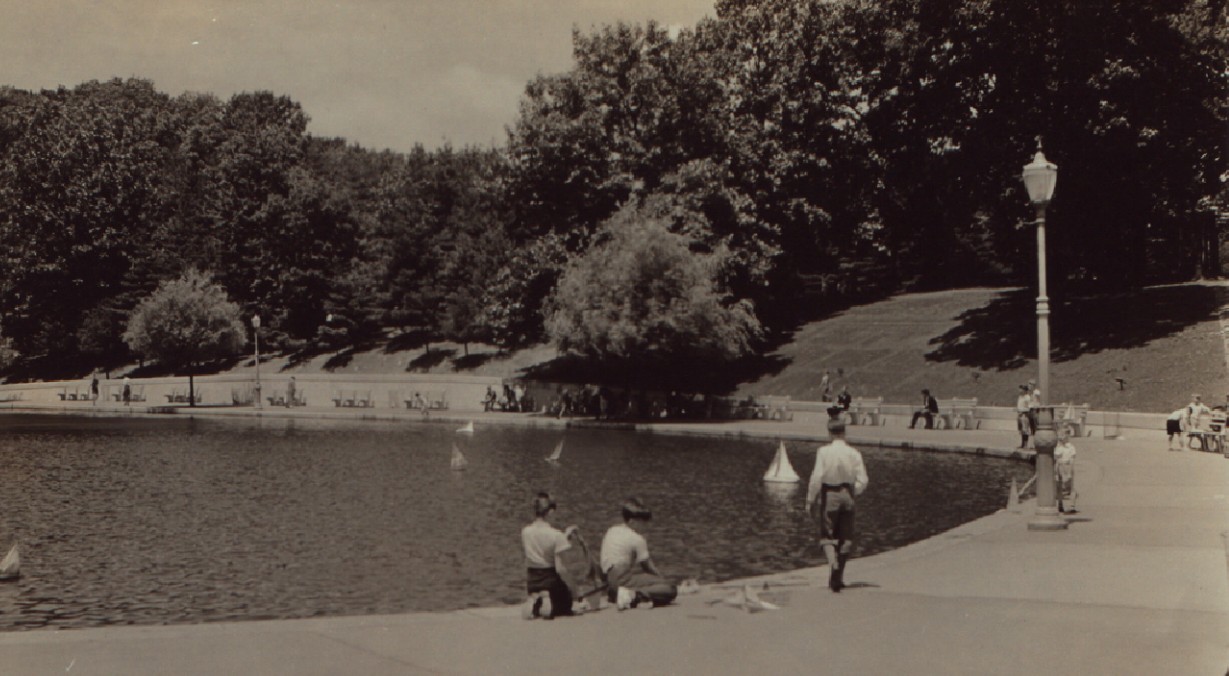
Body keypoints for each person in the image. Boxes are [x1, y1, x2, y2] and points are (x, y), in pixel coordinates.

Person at [806, 418, 869, 592]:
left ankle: (832, 562)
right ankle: (837, 577)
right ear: (844, 432)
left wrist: (810, 499)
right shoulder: (854, 453)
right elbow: (863, 480)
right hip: (847, 493)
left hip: (830, 493)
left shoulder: (823, 452)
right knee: (846, 538)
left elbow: (816, 478)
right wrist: (852, 492)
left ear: (829, 433)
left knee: (827, 535)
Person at [600, 498, 677, 609]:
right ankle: (635, 596)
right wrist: (663, 581)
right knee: (670, 588)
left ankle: (619, 594)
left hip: (611, 582)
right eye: (642, 522)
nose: (645, 526)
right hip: (623, 579)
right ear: (632, 521)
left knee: (645, 581)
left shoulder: (612, 530)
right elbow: (649, 568)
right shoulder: (637, 538)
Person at [520, 492, 573, 619]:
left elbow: (542, 546)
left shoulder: (525, 532)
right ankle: (547, 597)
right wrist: (577, 592)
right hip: (550, 580)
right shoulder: (556, 535)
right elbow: (562, 569)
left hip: (532, 580)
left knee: (537, 591)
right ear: (550, 512)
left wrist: (564, 537)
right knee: (567, 601)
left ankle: (535, 597)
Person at [1054, 432, 1076, 513]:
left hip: (1067, 466)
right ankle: (1060, 505)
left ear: (1067, 437)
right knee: (1059, 487)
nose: (1061, 438)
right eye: (1060, 437)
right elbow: (1056, 458)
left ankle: (1072, 505)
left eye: (1062, 436)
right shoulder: (1058, 447)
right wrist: (1056, 470)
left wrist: (1069, 471)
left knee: (1070, 487)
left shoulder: (1071, 447)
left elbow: (1072, 460)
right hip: (1060, 467)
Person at [1015, 385, 1033, 449]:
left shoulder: (1027, 397)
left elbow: (1029, 408)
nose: (1019, 390)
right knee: (1021, 430)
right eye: (1019, 389)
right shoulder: (1020, 397)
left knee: (1025, 430)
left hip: (1025, 415)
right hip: (1019, 415)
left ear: (1025, 390)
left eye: (1021, 389)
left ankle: (1026, 444)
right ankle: (1022, 444)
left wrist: (1022, 411)